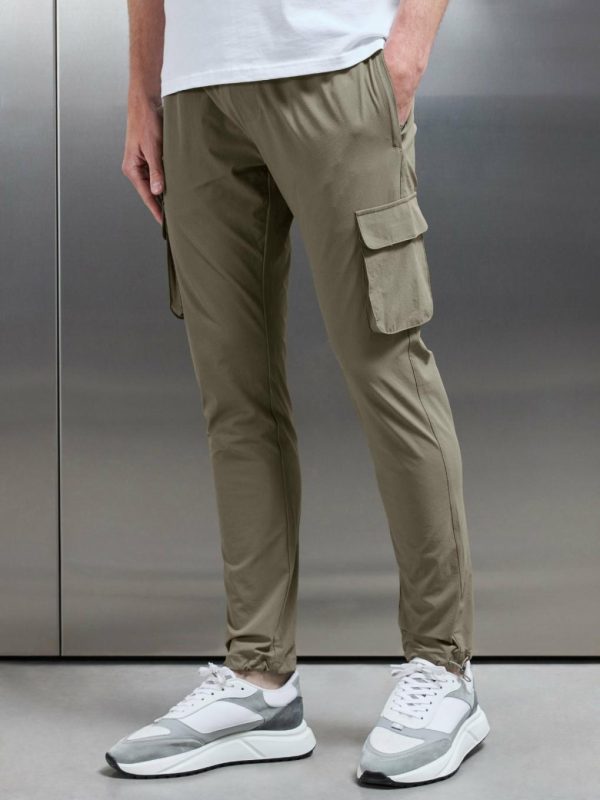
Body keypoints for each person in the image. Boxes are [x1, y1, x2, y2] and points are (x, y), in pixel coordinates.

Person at [107, 0, 490, 786]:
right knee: (234, 397)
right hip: (197, 89)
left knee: (387, 370)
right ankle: (259, 680)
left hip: (336, 64)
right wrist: (143, 89)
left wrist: (410, 44)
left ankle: (442, 667)